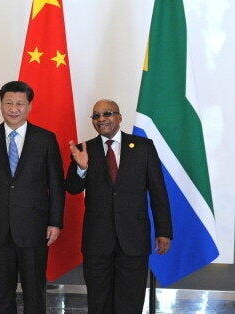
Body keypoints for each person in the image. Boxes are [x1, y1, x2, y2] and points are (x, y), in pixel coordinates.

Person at [0, 81, 64, 313]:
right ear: (1, 104)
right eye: (8, 102)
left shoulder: (45, 138)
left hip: (34, 228)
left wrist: (55, 222)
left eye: (20, 103)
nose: (13, 108)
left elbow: (56, 185)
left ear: (29, 106)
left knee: (34, 289)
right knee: (2, 290)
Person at [65, 99, 173, 313]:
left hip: (133, 239)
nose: (101, 119)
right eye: (96, 116)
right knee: (99, 301)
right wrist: (81, 168)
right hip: (97, 240)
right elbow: (73, 188)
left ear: (120, 117)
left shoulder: (143, 147)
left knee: (130, 302)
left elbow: (158, 191)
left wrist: (164, 231)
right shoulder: (83, 150)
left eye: (107, 113)